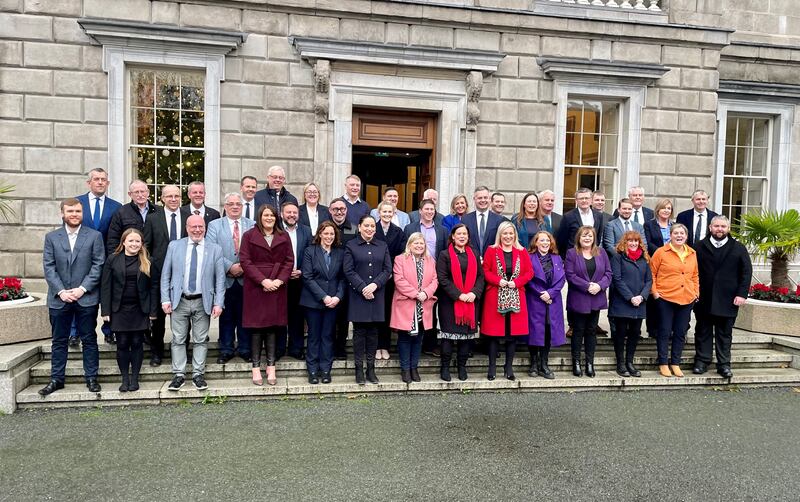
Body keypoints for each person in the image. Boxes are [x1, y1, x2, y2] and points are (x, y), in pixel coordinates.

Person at [39, 198, 105, 396]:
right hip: (60, 298)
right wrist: (61, 291)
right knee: (59, 340)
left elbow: (98, 264)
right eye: (70, 211)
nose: (74, 214)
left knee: (89, 339)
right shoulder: (52, 237)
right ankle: (56, 379)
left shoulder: (94, 236)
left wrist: (82, 289)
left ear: (82, 213)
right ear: (62, 213)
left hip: (86, 297)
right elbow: (49, 267)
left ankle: (91, 377)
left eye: (77, 211)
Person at [161, 215, 226, 391]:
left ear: (205, 228)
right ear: (187, 228)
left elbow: (220, 279)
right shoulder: (175, 246)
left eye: (201, 226)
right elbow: (166, 274)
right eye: (193, 227)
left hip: (202, 301)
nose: (197, 230)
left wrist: (218, 303)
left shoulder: (215, 249)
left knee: (200, 340)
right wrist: (165, 298)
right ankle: (179, 375)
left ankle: (198, 374)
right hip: (179, 301)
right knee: (178, 339)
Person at [239, 204, 294, 386]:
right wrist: (263, 281)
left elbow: (289, 260)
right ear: (260, 217)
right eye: (265, 215)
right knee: (256, 328)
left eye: (272, 215)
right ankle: (255, 367)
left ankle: (271, 366)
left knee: (272, 327)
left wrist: (279, 281)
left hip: (277, 286)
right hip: (256, 287)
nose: (269, 218)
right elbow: (245, 261)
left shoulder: (283, 236)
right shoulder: (249, 236)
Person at [693, 216, 752, 378]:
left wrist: (742, 294)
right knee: (702, 331)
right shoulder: (698, 247)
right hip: (703, 297)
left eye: (723, 226)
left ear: (728, 229)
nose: (720, 229)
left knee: (724, 333)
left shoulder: (739, 248)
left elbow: (746, 273)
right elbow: (691, 272)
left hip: (729, 298)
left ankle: (724, 364)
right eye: (717, 226)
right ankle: (702, 361)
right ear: (710, 227)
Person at [100, 228, 159, 392]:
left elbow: (154, 288)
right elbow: (105, 287)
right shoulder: (112, 259)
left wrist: (153, 312)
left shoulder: (148, 261)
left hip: (140, 309)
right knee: (123, 343)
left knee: (137, 343)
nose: (134, 244)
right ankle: (124, 378)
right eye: (131, 240)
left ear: (141, 244)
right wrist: (105, 311)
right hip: (119, 309)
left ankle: (135, 379)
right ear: (124, 242)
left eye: (137, 241)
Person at [480, 221, 534, 381]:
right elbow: (485, 270)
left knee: (512, 335)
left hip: (516, 296)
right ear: (500, 235)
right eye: (505, 233)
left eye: (511, 233)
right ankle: (492, 367)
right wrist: (498, 280)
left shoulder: (522, 251)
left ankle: (508, 367)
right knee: (494, 334)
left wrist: (516, 283)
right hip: (495, 296)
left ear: (515, 235)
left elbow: (529, 272)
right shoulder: (491, 250)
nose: (508, 236)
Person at [206, 193, 255, 363]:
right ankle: (226, 349)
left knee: (245, 315)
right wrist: (230, 266)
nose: (235, 207)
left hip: (246, 278)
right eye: (231, 204)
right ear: (225, 206)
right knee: (226, 317)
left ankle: (244, 348)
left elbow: (256, 250)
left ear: (242, 207)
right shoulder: (214, 225)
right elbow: (212, 248)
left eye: (238, 204)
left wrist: (243, 266)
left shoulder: (252, 224)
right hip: (224, 278)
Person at [343, 215, 392, 385]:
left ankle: (371, 369)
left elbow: (387, 270)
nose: (370, 229)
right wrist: (363, 287)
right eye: (367, 226)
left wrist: (374, 286)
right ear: (360, 227)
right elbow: (348, 270)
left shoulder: (382, 245)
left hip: (377, 294)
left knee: (373, 333)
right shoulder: (351, 245)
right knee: (359, 333)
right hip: (358, 295)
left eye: (372, 226)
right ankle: (358, 369)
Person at [75, 168, 122, 345]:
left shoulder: (116, 206)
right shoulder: (77, 203)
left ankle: (109, 331)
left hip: (108, 259)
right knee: (79, 293)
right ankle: (75, 332)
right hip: (81, 259)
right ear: (89, 182)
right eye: (96, 179)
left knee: (108, 295)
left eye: (103, 179)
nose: (100, 182)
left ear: (108, 183)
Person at [649, 223, 699, 378]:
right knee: (664, 331)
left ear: (686, 236)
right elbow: (651, 273)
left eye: (682, 233)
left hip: (686, 297)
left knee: (680, 332)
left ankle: (675, 363)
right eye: (676, 233)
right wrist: (655, 292)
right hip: (666, 297)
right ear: (670, 235)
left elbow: (695, 275)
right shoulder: (661, 252)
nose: (679, 236)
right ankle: (663, 363)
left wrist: (696, 292)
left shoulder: (692, 253)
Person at [436, 224, 484, 381]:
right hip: (450, 303)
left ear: (468, 237)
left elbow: (480, 277)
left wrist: (473, 293)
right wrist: (458, 295)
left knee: (466, 338)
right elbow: (442, 279)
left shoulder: (475, 254)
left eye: (465, 233)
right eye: (459, 233)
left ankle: (462, 367)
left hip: (470, 302)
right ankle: (445, 368)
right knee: (448, 337)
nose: (462, 236)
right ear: (453, 236)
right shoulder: (444, 255)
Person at [300, 221, 345, 384]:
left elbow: (342, 278)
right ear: (319, 234)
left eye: (332, 234)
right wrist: (324, 297)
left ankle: (326, 369)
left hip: (333, 302)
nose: (329, 237)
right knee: (314, 336)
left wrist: (337, 297)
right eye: (326, 233)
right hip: (313, 302)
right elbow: (307, 277)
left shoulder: (340, 253)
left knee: (327, 336)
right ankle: (312, 370)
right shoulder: (310, 251)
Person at [143, 184, 183, 366]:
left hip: (183, 275)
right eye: (169, 196)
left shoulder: (189, 217)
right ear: (162, 198)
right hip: (159, 276)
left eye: (177, 196)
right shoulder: (152, 219)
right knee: (158, 319)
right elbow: (147, 246)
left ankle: (182, 353)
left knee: (183, 317)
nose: (173, 199)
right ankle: (157, 353)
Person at [390, 232, 438, 383]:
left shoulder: (430, 260)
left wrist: (426, 293)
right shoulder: (400, 259)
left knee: (418, 338)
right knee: (405, 338)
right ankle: (405, 369)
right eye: (416, 243)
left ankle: (414, 368)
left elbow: (435, 280)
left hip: (424, 305)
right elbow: (399, 280)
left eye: (421, 243)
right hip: (406, 304)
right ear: (409, 245)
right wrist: (416, 294)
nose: (419, 246)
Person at [565, 226, 612, 377]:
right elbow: (570, 275)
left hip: (596, 297)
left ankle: (590, 363)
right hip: (579, 297)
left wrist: (599, 285)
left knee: (591, 331)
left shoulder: (601, 252)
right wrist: (587, 286)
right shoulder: (572, 253)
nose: (587, 238)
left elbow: (608, 273)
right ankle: (577, 362)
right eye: (584, 236)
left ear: (594, 238)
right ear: (579, 238)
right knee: (578, 330)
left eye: (590, 236)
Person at [403, 199, 447, 356]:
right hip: (412, 275)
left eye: (432, 209)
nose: (429, 212)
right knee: (411, 309)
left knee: (431, 310)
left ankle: (430, 344)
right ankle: (411, 342)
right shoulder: (409, 228)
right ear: (420, 211)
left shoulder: (442, 230)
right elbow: (404, 250)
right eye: (426, 209)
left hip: (433, 276)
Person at [608, 231, 652, 377]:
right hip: (622, 303)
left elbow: (649, 280)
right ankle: (620, 363)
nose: (633, 243)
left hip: (639, 303)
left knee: (634, 334)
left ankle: (629, 362)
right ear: (624, 242)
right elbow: (617, 279)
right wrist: (630, 297)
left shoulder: (645, 259)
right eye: (630, 241)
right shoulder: (618, 257)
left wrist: (642, 296)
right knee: (620, 334)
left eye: (636, 241)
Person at [525, 231, 565, 380]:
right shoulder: (529, 258)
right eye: (542, 240)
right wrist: (542, 294)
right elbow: (528, 278)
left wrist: (551, 294)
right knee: (535, 331)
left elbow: (562, 279)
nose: (545, 243)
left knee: (548, 330)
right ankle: (534, 363)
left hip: (552, 301)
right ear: (536, 242)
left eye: (547, 241)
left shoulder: (557, 258)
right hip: (535, 299)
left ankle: (544, 363)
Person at [278, 201, 312, 361]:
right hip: (279, 281)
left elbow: (311, 254)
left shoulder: (306, 231)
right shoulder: (276, 231)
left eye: (294, 213)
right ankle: (278, 349)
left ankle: (296, 348)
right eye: (288, 212)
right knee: (279, 315)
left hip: (300, 280)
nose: (292, 215)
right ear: (282, 214)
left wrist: (303, 271)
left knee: (297, 316)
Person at [374, 201, 407, 360]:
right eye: (384, 212)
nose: (387, 214)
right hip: (374, 278)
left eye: (390, 212)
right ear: (379, 212)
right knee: (374, 313)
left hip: (391, 278)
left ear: (394, 213)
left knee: (386, 312)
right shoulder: (372, 228)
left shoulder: (399, 232)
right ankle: (375, 346)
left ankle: (384, 346)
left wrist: (390, 270)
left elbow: (401, 255)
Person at [328, 198, 357, 360]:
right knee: (330, 316)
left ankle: (340, 347)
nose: (339, 212)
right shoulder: (325, 227)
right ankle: (329, 347)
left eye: (342, 209)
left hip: (347, 279)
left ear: (346, 210)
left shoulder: (353, 229)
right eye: (335, 209)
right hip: (328, 279)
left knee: (344, 317)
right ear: (330, 211)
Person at [643, 198, 674, 339]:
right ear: (658, 210)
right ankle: (653, 328)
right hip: (655, 262)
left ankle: (668, 327)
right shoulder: (649, 225)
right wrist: (664, 252)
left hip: (672, 265)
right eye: (664, 208)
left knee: (669, 296)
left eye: (669, 208)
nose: (666, 210)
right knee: (654, 295)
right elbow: (648, 243)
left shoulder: (674, 226)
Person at [106, 180, 156, 257]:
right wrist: (115, 260)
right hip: (129, 259)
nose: (140, 195)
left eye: (142, 191)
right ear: (130, 194)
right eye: (136, 192)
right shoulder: (121, 212)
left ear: (148, 192)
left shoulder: (157, 211)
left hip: (152, 258)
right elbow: (113, 239)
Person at [556, 188, 604, 258]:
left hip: (592, 255)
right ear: (576, 200)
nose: (584, 200)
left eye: (586, 198)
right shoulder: (568, 216)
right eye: (581, 198)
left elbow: (598, 237)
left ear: (591, 200)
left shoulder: (599, 216)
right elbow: (562, 240)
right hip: (574, 256)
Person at [463, 186, 504, 260]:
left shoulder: (499, 220)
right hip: (471, 261)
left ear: (489, 199)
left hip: (492, 262)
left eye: (485, 197)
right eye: (480, 198)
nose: (483, 200)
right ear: (474, 199)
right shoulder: (465, 219)